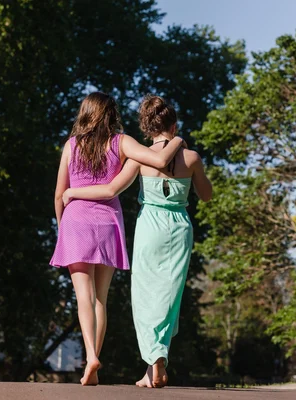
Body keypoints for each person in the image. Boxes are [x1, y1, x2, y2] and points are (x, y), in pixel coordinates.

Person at [62, 94, 212, 388]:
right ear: (175, 123)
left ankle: (150, 360)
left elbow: (110, 189)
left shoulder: (137, 158)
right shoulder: (192, 158)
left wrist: (72, 194)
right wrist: (184, 150)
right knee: (170, 296)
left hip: (149, 226)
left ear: (146, 127)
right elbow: (206, 196)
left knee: (144, 296)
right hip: (180, 227)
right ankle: (156, 361)